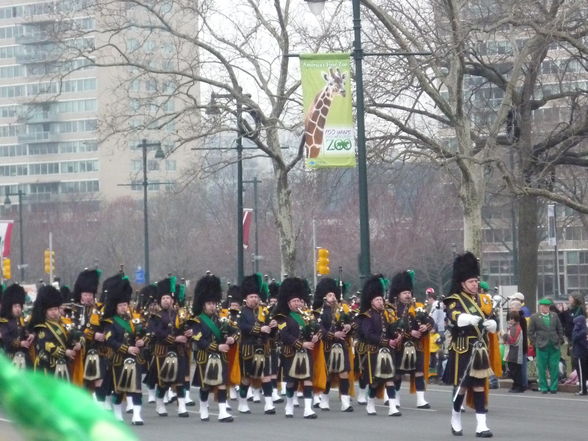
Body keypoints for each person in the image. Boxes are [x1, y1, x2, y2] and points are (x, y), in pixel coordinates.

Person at [442, 252, 501, 438]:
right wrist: (467, 318)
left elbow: (493, 320)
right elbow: (453, 317)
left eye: (476, 281)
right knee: (462, 386)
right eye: (471, 281)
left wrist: (493, 325)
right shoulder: (454, 299)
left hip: (480, 349)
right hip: (462, 348)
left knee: (479, 386)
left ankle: (481, 425)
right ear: (462, 284)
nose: (475, 284)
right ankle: (455, 417)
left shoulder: (483, 300)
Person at [189, 273, 239, 422]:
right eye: (209, 303)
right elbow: (199, 340)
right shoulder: (196, 321)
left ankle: (223, 411)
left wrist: (232, 338)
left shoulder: (222, 319)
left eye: (213, 303)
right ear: (203, 304)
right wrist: (218, 347)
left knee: (222, 384)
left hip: (221, 357)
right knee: (205, 386)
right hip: (205, 357)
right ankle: (203, 406)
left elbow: (236, 331)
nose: (212, 306)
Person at [102, 273, 146, 425]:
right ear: (116, 307)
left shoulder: (134, 321)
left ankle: (137, 415)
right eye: (121, 305)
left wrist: (142, 342)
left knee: (136, 388)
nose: (123, 308)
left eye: (125, 305)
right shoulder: (110, 322)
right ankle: (118, 415)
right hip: (118, 359)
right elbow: (109, 340)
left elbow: (145, 335)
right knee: (119, 389)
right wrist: (127, 349)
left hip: (135, 359)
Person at [274, 277, 320, 419]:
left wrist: (316, 336)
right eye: (294, 301)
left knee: (307, 380)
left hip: (306, 353)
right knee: (291, 381)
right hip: (290, 353)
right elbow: (284, 335)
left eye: (299, 300)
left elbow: (318, 329)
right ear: (288, 303)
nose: (297, 303)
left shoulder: (308, 316)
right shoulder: (282, 318)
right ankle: (289, 405)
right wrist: (301, 343)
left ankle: (308, 409)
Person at [355, 275, 401, 417]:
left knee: (390, 379)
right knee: (374, 382)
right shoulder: (366, 316)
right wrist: (387, 341)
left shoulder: (387, 314)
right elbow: (369, 335)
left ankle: (393, 407)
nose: (380, 302)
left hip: (387, 352)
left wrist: (398, 334)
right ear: (371, 302)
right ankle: (370, 402)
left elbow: (391, 330)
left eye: (381, 299)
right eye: (377, 300)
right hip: (373, 352)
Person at [148, 277, 192, 418]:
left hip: (178, 350)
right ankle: (160, 403)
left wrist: (188, 333)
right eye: (164, 298)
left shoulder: (179, 314)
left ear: (172, 300)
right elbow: (156, 332)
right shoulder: (155, 315)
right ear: (160, 301)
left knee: (180, 379)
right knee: (164, 379)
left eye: (168, 298)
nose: (167, 300)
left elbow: (185, 328)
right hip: (163, 351)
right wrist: (174, 338)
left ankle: (182, 405)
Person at [390, 270, 433, 410]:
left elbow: (430, 320)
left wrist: (424, 328)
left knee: (419, 372)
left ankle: (421, 399)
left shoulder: (418, 307)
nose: (408, 295)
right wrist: (409, 332)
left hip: (416, 346)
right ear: (398, 294)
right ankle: (395, 398)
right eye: (404, 293)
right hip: (399, 346)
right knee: (397, 374)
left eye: (409, 292)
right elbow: (392, 327)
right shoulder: (392, 309)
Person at [236, 273, 278, 415]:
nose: (254, 299)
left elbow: (271, 332)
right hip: (248, 348)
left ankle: (269, 404)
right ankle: (242, 402)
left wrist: (273, 326)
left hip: (263, 347)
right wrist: (260, 329)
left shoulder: (264, 312)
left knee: (265, 376)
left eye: (256, 297)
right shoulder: (242, 313)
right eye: (251, 297)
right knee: (246, 377)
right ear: (246, 299)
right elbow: (243, 327)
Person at [314, 277, 354, 412]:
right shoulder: (319, 312)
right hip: (326, 347)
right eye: (330, 295)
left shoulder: (342, 310)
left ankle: (345, 402)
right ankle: (324, 399)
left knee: (344, 373)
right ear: (324, 297)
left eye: (334, 294)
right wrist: (332, 335)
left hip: (342, 346)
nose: (333, 297)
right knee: (329, 375)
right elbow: (319, 329)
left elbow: (353, 323)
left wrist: (349, 326)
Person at [30, 284, 81, 380]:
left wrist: (77, 343)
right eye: (50, 310)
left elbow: (73, 335)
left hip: (62, 364)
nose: (54, 312)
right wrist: (65, 352)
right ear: (45, 311)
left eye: (56, 309)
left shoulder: (63, 323)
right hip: (46, 365)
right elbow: (47, 345)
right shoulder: (41, 327)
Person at [528, 298, 564, 394]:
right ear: (540, 307)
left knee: (554, 367)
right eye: (543, 306)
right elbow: (530, 332)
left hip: (554, 345)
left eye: (547, 306)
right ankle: (543, 387)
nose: (545, 308)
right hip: (541, 346)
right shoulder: (534, 317)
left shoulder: (554, 316)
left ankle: (553, 387)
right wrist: (535, 343)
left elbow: (560, 329)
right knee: (541, 367)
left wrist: (560, 340)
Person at [0, 284, 33, 368]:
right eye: (15, 306)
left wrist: (29, 335)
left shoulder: (22, 319)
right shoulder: (4, 321)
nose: (18, 309)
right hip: (10, 357)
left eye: (19, 306)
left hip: (23, 356)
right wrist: (20, 343)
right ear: (9, 307)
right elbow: (6, 337)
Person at [503, 311, 524, 392]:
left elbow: (512, 340)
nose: (510, 320)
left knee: (515, 371)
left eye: (512, 318)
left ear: (515, 319)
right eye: (510, 318)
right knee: (515, 370)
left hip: (514, 352)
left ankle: (518, 386)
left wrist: (504, 335)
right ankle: (516, 386)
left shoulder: (515, 328)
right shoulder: (515, 327)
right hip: (515, 351)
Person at [571, 312, 588, 395]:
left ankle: (583, 389)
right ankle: (584, 388)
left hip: (580, 354)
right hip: (584, 353)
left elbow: (574, 337)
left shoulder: (580, 330)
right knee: (585, 372)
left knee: (581, 372)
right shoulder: (585, 329)